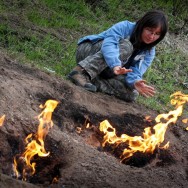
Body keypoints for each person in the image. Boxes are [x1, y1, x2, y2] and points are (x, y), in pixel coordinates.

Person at [67, 10, 168, 102]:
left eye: (157, 34)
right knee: (127, 47)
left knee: (132, 93)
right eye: (150, 30)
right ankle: (79, 72)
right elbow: (108, 45)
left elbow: (136, 71)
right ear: (142, 25)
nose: (152, 36)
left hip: (109, 70)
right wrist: (115, 65)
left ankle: (92, 82)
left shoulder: (150, 52)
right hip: (88, 52)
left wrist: (135, 82)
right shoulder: (125, 26)